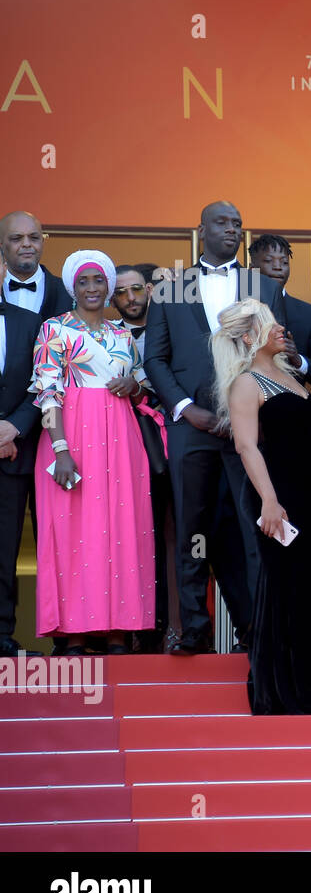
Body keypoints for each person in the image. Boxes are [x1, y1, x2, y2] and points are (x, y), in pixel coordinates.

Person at [144, 200, 279, 654]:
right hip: (192, 429)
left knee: (253, 529)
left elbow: (273, 356)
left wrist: (252, 408)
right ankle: (194, 631)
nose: (232, 230)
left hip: (249, 432)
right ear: (200, 229)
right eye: (222, 223)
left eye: (238, 224)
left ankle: (258, 631)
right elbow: (155, 360)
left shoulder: (262, 286)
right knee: (191, 528)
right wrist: (184, 408)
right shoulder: (168, 290)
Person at [214, 299, 311, 714]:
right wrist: (269, 501)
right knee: (285, 585)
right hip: (275, 493)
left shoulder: (289, 376)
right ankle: (279, 689)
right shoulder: (246, 384)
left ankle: (310, 669)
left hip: (306, 491)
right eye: (272, 325)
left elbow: (310, 438)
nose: (281, 330)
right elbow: (246, 446)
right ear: (251, 335)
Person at [30, 251, 157, 653]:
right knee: (71, 533)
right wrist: (61, 450)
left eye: (98, 281)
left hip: (120, 437)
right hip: (70, 437)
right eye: (83, 282)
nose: (91, 288)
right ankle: (72, 633)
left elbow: (142, 388)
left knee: (120, 530)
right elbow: (48, 393)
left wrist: (132, 388)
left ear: (108, 287)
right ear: (72, 287)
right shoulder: (54, 329)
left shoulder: (122, 334)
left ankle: (118, 628)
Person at [111, 264, 175, 648]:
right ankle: (126, 628)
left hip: (166, 446)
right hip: (117, 446)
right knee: (125, 537)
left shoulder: (173, 330)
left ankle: (170, 626)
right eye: (122, 292)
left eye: (137, 288)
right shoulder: (104, 335)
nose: (131, 297)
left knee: (170, 536)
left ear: (150, 290)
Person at [0, 281, 43, 657]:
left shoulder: (30, 322)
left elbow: (41, 383)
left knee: (5, 549)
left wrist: (13, 427)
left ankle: (2, 635)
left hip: (11, 453)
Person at [247, 235, 311, 394]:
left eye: (284, 262)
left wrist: (298, 361)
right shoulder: (236, 308)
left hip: (289, 413)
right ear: (251, 268)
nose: (277, 267)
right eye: (269, 261)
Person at [0, 211, 74, 319]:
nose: (26, 244)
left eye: (34, 238)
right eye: (16, 238)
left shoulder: (68, 292)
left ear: (42, 241)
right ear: (1, 244)